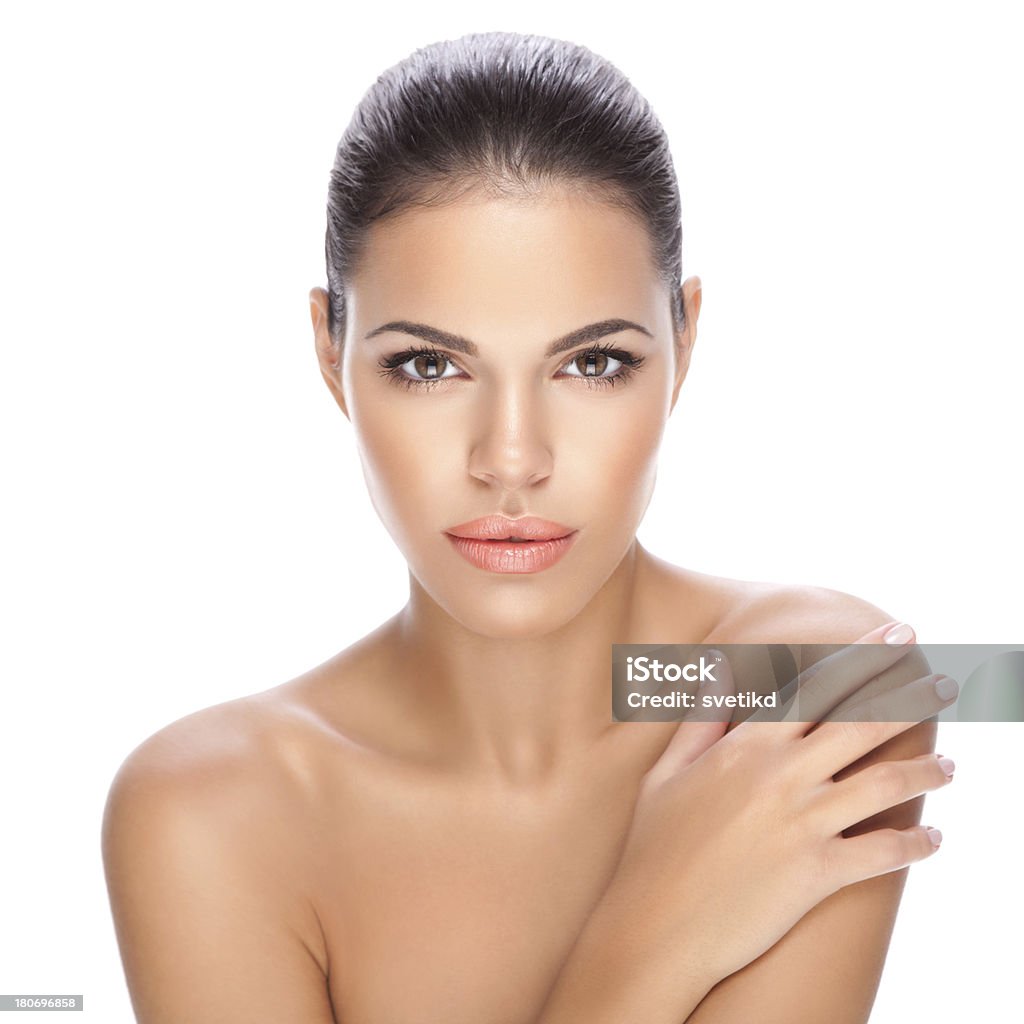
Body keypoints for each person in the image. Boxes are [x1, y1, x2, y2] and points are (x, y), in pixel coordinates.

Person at [101, 31, 957, 1023]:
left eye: (591, 363)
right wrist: (654, 928)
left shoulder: (816, 685)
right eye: (429, 364)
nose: (510, 457)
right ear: (330, 351)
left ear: (684, 338)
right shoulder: (207, 811)